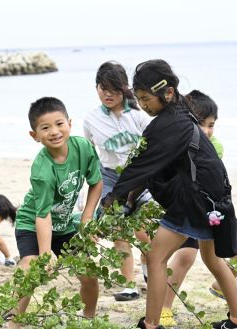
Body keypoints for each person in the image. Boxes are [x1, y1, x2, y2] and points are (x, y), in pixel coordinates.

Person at [104, 60, 237, 329]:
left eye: (147, 98)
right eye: (138, 100)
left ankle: (150, 324)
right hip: (215, 200)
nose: (143, 105)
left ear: (167, 93)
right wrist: (129, 199)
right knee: (213, 259)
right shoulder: (184, 112)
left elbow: (142, 164)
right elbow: (153, 165)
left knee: (157, 257)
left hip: (193, 200)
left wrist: (114, 198)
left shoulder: (167, 124)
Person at [159, 90, 237, 327]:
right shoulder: (178, 143)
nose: (207, 131)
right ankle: (164, 307)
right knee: (185, 256)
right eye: (202, 124)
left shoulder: (213, 146)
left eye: (211, 125)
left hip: (209, 212)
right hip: (185, 209)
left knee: (227, 260)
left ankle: (236, 317)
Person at [9, 97, 103, 328]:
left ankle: (88, 318)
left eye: (59, 124)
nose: (54, 131)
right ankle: (12, 323)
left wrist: (87, 217)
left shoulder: (83, 147)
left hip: (65, 226)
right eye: (45, 127)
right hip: (33, 223)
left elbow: (97, 182)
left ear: (69, 123)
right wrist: (44, 253)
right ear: (35, 135)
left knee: (89, 274)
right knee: (29, 269)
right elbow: (42, 214)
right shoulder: (42, 168)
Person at [83, 61, 152, 301]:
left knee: (144, 233)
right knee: (119, 232)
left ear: (124, 88)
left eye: (113, 88)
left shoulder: (139, 116)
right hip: (111, 177)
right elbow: (90, 156)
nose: (107, 94)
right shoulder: (91, 120)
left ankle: (148, 275)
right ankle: (128, 285)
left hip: (140, 177)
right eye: (102, 88)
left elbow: (155, 150)